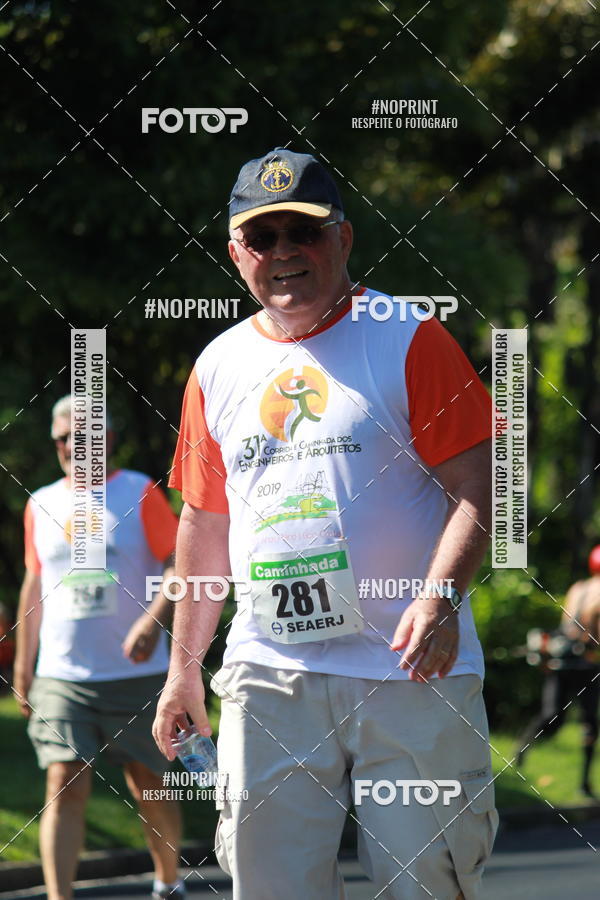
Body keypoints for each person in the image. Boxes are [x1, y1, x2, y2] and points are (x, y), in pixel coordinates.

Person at [153, 148, 498, 900]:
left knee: (428, 885)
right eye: (262, 237)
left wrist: (441, 597)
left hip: (409, 669)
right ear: (237, 253)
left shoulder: (407, 336)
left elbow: (481, 486)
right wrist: (183, 670)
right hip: (271, 672)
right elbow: (204, 524)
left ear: (342, 238)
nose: (283, 252)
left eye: (303, 232)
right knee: (270, 887)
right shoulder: (217, 365)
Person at [13, 395, 185, 900]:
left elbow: (178, 565)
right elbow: (33, 585)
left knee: (147, 783)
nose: (70, 446)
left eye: (82, 436)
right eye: (61, 438)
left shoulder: (139, 491)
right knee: (62, 779)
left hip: (136, 674)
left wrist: (153, 621)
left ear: (106, 441)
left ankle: (168, 881)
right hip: (62, 675)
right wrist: (23, 665)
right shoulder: (40, 502)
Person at [516, 545, 600, 798]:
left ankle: (520, 752)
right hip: (587, 663)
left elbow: (567, 623)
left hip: (562, 659)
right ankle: (584, 785)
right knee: (589, 724)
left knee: (550, 715)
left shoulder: (578, 588)